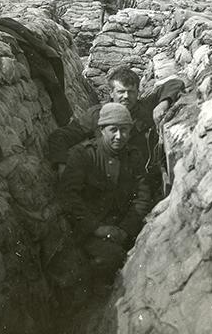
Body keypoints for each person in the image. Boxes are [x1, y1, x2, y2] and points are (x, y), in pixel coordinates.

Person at [58, 103, 151, 292]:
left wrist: (125, 229)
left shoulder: (133, 156)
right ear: (101, 130)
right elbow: (69, 197)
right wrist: (97, 228)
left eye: (124, 130)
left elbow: (142, 196)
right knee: (111, 258)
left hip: (124, 225)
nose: (119, 136)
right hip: (91, 228)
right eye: (113, 130)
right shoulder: (83, 155)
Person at [48, 67, 184, 192]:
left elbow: (175, 83)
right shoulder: (97, 114)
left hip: (141, 181)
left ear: (138, 92)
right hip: (108, 184)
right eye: (121, 91)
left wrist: (162, 104)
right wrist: (62, 165)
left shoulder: (145, 107)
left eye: (131, 92)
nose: (126, 96)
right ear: (111, 93)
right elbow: (60, 136)